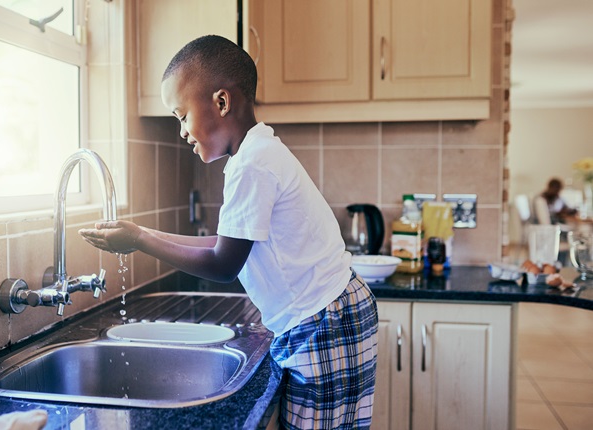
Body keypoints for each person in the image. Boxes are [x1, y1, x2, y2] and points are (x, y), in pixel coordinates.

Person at [79, 35, 379, 429]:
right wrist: (143, 232)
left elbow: (223, 263)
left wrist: (139, 240)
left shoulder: (252, 165)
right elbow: (226, 244)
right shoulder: (255, 154)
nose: (182, 131)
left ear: (221, 102)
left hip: (323, 320)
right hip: (329, 314)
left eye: (182, 115)